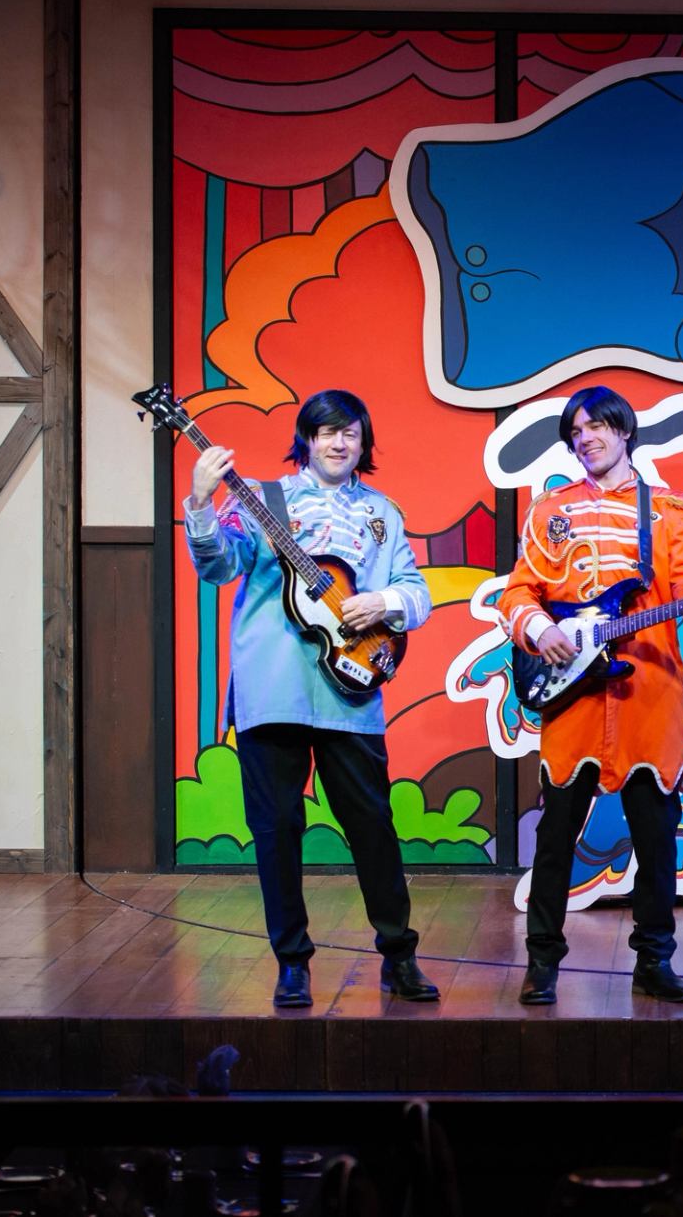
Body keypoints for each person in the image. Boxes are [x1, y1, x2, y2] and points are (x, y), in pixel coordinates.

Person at [184, 389, 440, 1009]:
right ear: (306, 438)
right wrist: (199, 501)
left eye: (350, 433)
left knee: (374, 827)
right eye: (325, 431)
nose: (338, 442)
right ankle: (291, 961)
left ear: (363, 443)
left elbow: (417, 591)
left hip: (350, 691)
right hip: (272, 689)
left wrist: (385, 602)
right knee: (277, 829)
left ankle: (398, 954)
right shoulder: (266, 499)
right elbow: (219, 568)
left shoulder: (383, 511)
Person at [498, 385, 683, 1006]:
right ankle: (542, 962)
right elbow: (519, 594)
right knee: (555, 840)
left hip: (647, 697)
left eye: (598, 426)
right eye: (576, 431)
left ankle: (654, 962)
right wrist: (541, 629)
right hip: (573, 698)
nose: (587, 438)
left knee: (658, 843)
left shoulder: (672, 511)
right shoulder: (549, 509)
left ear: (624, 431)